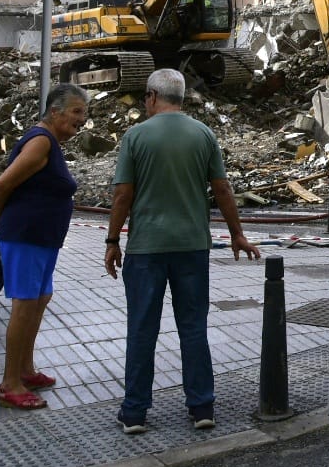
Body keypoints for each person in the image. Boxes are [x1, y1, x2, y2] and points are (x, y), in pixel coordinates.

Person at [105, 68, 261, 433]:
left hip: (146, 250)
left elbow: (122, 195)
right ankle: (202, 407)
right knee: (193, 328)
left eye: (146, 98)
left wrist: (112, 241)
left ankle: (135, 412)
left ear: (153, 96)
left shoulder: (135, 136)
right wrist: (237, 234)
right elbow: (222, 189)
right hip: (192, 248)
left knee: (142, 330)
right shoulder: (203, 134)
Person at [0, 83, 88, 410]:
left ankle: (25, 369)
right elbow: (3, 183)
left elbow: (16, 186)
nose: (82, 120)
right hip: (26, 236)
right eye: (77, 112)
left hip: (41, 237)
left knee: (40, 298)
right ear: (55, 111)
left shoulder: (47, 141)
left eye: (85, 113)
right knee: (25, 306)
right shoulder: (41, 142)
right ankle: (10, 383)